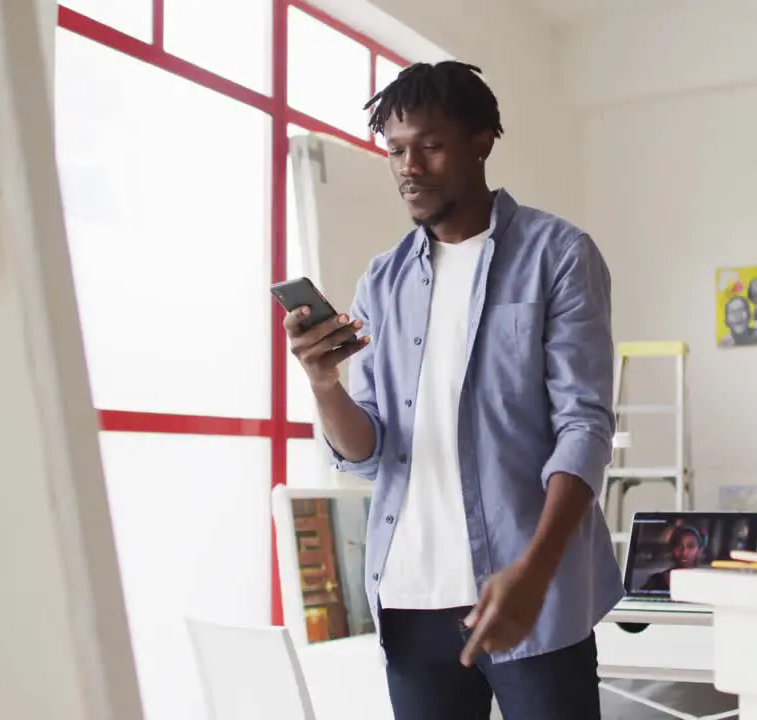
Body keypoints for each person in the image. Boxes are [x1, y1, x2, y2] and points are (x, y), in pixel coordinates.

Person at [283, 60, 623, 720]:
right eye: (395, 151)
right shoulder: (381, 282)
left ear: (481, 141)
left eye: (430, 146)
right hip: (409, 600)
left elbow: (584, 427)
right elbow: (368, 452)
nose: (409, 167)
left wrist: (536, 571)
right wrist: (324, 383)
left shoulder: (559, 254)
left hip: (526, 595)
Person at [639, 526, 703, 593]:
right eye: (679, 545)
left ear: (699, 551)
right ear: (672, 549)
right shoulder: (656, 580)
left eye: (690, 546)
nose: (684, 552)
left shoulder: (705, 582)